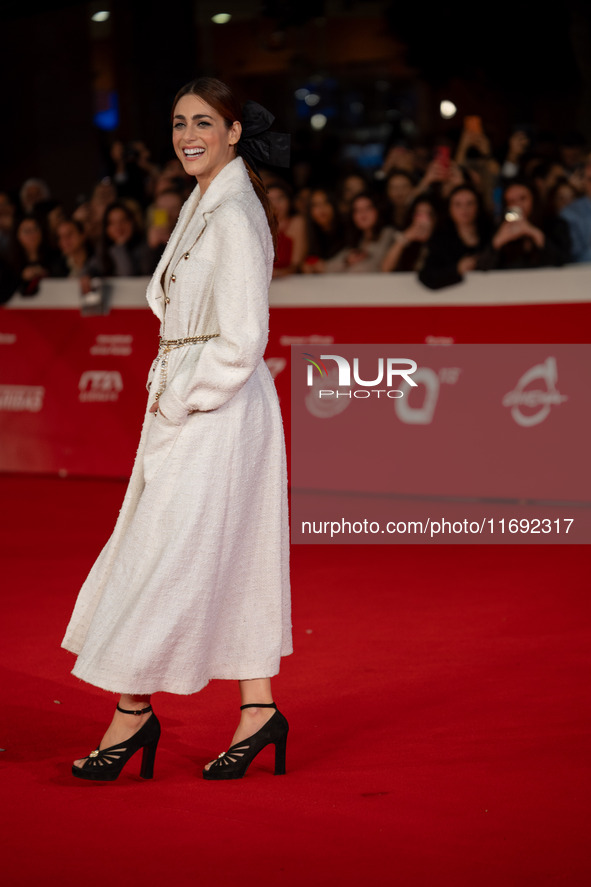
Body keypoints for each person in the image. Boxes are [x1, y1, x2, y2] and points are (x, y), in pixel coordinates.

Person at [62, 77, 292, 782]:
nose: (187, 134)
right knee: (225, 553)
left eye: (202, 122)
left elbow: (245, 335)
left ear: (231, 132)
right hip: (198, 406)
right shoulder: (204, 202)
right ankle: (259, 710)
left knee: (165, 554)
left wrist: (184, 395)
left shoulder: (231, 214)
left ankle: (132, 712)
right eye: (177, 123)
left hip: (213, 408)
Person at [419, 185, 493, 290]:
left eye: (470, 203)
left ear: (478, 206)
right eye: (458, 204)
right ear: (449, 208)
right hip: (454, 299)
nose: (464, 209)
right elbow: (427, 276)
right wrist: (457, 269)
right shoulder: (440, 239)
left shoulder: (491, 232)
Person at [323, 192, 396, 273]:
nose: (362, 214)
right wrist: (346, 261)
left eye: (367, 208)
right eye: (357, 210)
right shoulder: (356, 239)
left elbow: (380, 266)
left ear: (377, 210)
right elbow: (328, 267)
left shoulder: (388, 234)